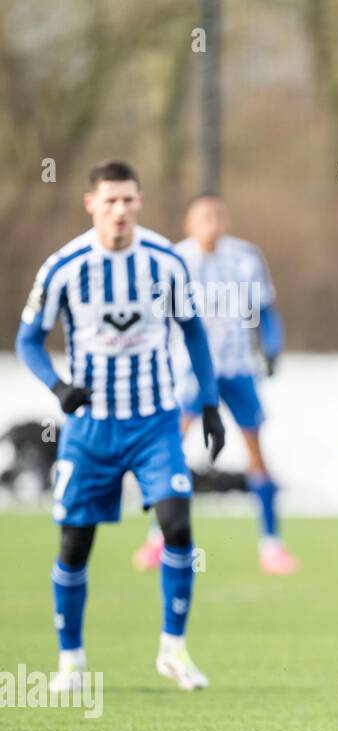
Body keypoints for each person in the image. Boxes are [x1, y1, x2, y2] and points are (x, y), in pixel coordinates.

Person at [15, 160, 225, 692]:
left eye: (129, 199)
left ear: (140, 202)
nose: (120, 210)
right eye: (110, 200)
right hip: (89, 431)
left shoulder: (164, 261)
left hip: (154, 423)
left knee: (178, 526)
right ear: (91, 204)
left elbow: (194, 333)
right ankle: (71, 662)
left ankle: (173, 650)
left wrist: (208, 403)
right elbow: (27, 340)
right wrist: (59, 388)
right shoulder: (63, 267)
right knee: (73, 544)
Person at [133, 194, 297, 574]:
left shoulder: (246, 257)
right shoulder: (174, 260)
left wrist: (271, 348)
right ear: (189, 224)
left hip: (238, 368)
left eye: (217, 215)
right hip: (191, 370)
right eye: (203, 216)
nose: (212, 222)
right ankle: (158, 539)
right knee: (172, 449)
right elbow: (153, 320)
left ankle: (271, 545)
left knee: (256, 453)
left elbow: (267, 310)